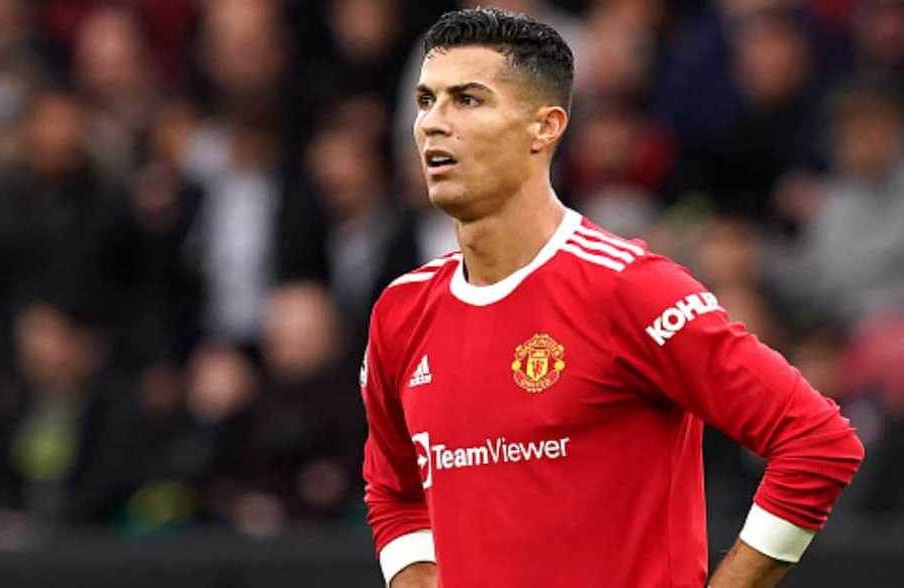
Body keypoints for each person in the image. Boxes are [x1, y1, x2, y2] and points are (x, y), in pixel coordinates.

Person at [360, 8, 864, 588]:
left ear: (544, 127)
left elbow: (817, 442)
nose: (431, 125)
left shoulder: (627, 288)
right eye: (426, 101)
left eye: (467, 100)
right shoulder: (402, 313)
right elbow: (393, 491)